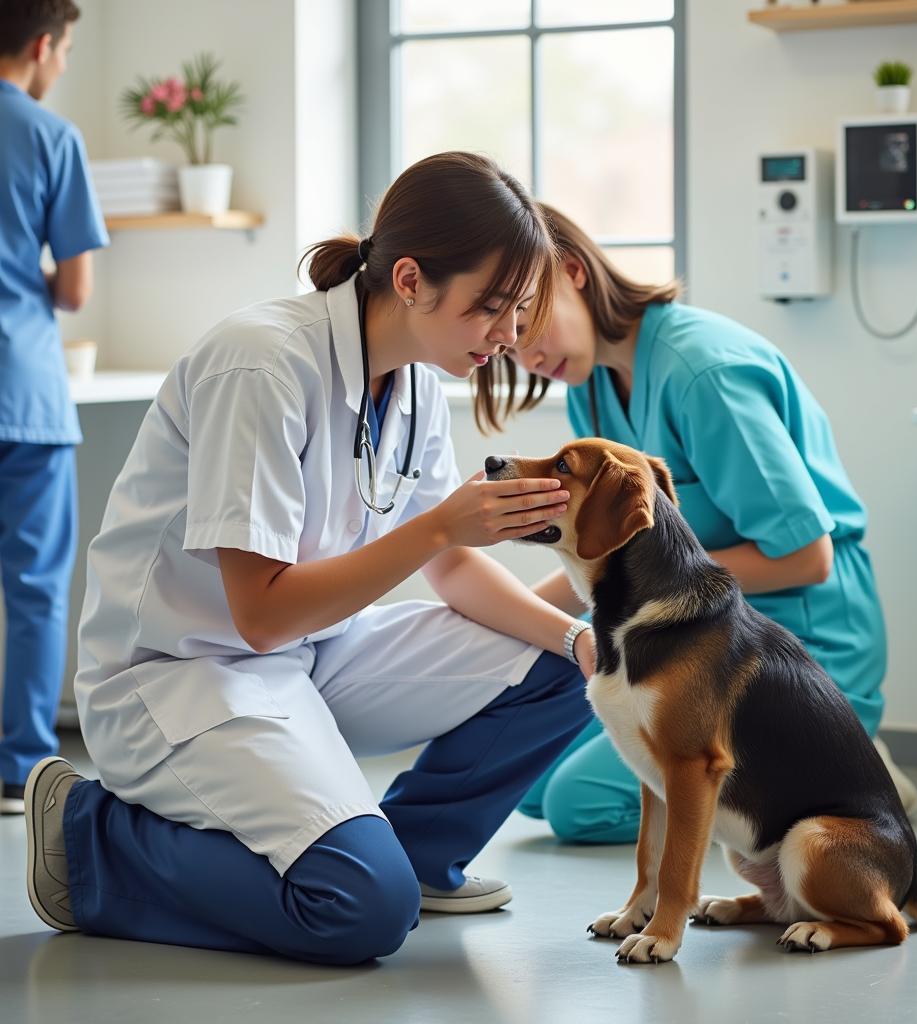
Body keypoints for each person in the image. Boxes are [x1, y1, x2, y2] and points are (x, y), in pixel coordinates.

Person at [23, 152, 596, 966]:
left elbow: (455, 572)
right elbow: (260, 614)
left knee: (574, 666)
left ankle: (416, 853)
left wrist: (580, 641)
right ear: (409, 280)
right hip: (182, 676)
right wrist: (439, 528)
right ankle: (90, 841)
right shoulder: (262, 363)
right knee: (359, 910)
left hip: (313, 653)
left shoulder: (418, 380)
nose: (508, 338)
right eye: (492, 310)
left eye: (521, 312)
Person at [472, 203, 917, 845]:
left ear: (572, 272)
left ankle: (837, 781)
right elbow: (613, 552)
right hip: (684, 632)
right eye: (500, 328)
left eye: (523, 314)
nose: (516, 345)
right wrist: (504, 610)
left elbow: (808, 557)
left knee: (579, 805)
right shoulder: (592, 380)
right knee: (535, 791)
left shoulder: (702, 372)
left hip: (792, 642)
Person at [0, 1, 108, 815]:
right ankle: (20, 769)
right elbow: (73, 288)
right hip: (23, 394)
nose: (63, 64)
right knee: (35, 586)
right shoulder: (49, 136)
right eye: (65, 50)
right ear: (42, 44)